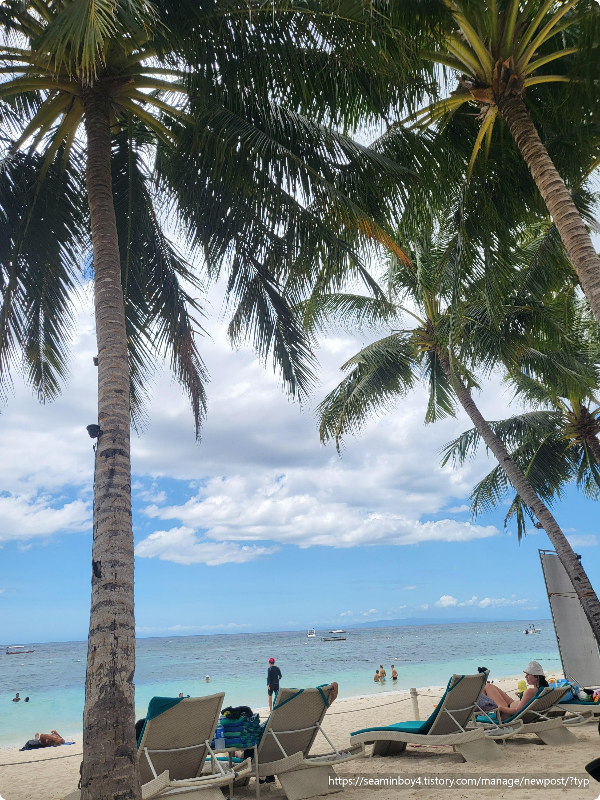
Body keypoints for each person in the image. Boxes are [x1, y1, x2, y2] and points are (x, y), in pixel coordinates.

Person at [481, 660, 549, 720]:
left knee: (488, 686)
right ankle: (482, 712)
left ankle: (480, 713)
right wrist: (522, 695)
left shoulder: (530, 691)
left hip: (506, 714)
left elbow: (517, 711)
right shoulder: (543, 691)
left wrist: (500, 707)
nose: (526, 676)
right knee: (491, 686)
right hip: (511, 706)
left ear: (537, 677)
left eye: (528, 674)